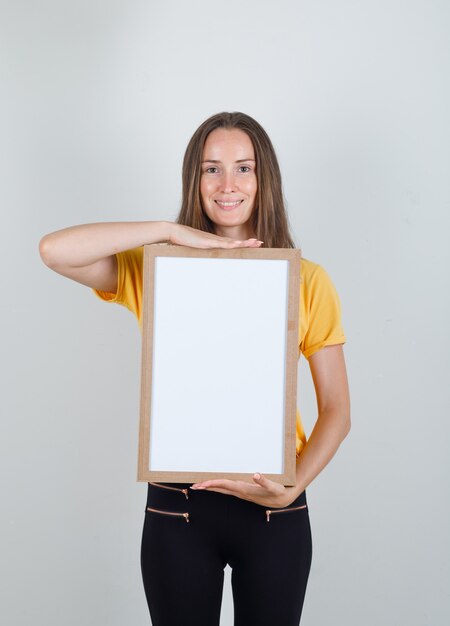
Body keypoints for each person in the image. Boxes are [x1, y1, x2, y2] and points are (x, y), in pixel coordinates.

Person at [39, 111, 351, 626]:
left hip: (273, 502)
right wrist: (171, 232)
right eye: (211, 169)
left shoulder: (307, 280)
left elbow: (337, 409)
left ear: (263, 177)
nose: (227, 184)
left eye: (243, 168)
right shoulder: (158, 268)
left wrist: (293, 488)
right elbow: (54, 250)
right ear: (194, 179)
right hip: (177, 509)